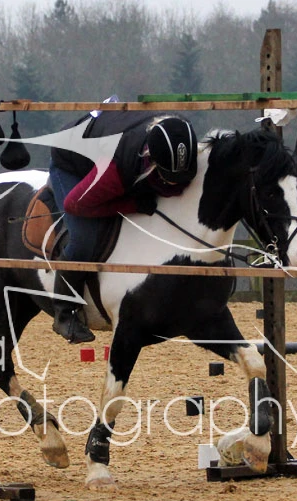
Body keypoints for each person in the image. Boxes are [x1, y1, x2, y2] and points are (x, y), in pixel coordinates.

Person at [48, 112, 198, 343]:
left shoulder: (180, 135)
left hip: (109, 144)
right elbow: (75, 205)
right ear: (151, 160)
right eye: (169, 177)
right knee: (84, 239)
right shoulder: (117, 171)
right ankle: (64, 311)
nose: (177, 184)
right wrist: (133, 205)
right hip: (70, 163)